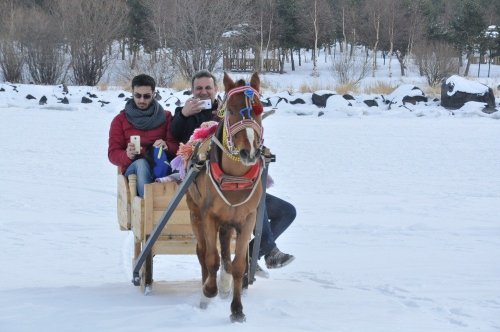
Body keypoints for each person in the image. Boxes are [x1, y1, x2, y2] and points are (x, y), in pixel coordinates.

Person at [170, 69, 295, 277]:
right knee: (256, 201)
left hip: (239, 182)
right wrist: (184, 115)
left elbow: (248, 133)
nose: (203, 92)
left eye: (208, 88)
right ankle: (263, 254)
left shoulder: (235, 106)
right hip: (207, 186)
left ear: (216, 89)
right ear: (191, 90)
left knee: (286, 211)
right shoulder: (181, 114)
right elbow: (174, 138)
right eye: (198, 88)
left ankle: (251, 256)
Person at [108, 74, 178, 197]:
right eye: (137, 95)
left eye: (146, 96)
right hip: (133, 169)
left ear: (154, 94)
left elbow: (176, 146)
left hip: (159, 165)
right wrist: (127, 155)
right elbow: (112, 154)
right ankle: (146, 204)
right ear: (132, 93)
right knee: (141, 164)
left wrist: (166, 145)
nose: (141, 100)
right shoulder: (120, 120)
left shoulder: (166, 117)